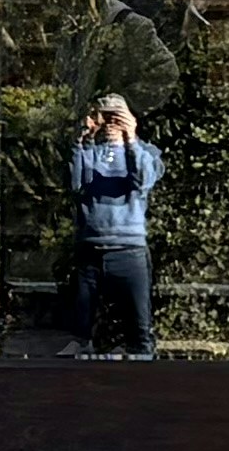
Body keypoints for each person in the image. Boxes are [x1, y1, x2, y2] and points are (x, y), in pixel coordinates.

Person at [67, 94, 162, 359]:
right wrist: (81, 139)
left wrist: (131, 139)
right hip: (90, 248)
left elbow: (142, 181)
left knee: (140, 330)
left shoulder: (146, 153)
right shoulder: (89, 152)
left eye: (115, 117)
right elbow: (75, 185)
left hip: (129, 249)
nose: (110, 123)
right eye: (104, 116)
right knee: (80, 333)